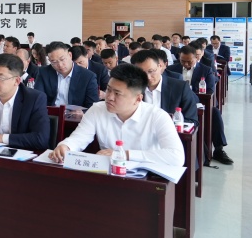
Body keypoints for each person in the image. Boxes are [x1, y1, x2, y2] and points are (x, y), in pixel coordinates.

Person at [49, 64, 184, 166]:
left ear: (138, 99)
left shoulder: (158, 117)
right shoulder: (97, 110)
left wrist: (125, 155)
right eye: (108, 90)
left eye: (117, 94)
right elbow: (79, 138)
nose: (109, 97)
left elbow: (177, 157)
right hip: (109, 176)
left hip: (146, 180)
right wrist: (65, 146)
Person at [168, 45, 232, 165]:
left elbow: (210, 89)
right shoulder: (172, 69)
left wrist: (187, 91)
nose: (186, 64)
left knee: (215, 113)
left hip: (200, 102)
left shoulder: (206, 69)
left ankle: (218, 149)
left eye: (189, 61)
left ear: (196, 58)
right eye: (183, 61)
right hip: (178, 105)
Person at [131, 50, 198, 126]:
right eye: (142, 73)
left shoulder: (180, 87)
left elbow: (191, 120)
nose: (148, 77)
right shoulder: (131, 89)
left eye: (151, 71)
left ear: (160, 66)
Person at [34, 41, 99, 109]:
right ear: (49, 61)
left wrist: (82, 112)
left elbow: (92, 107)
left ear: (70, 55)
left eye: (62, 59)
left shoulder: (88, 76)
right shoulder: (43, 72)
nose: (60, 65)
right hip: (50, 113)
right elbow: (38, 99)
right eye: (54, 62)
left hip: (75, 114)